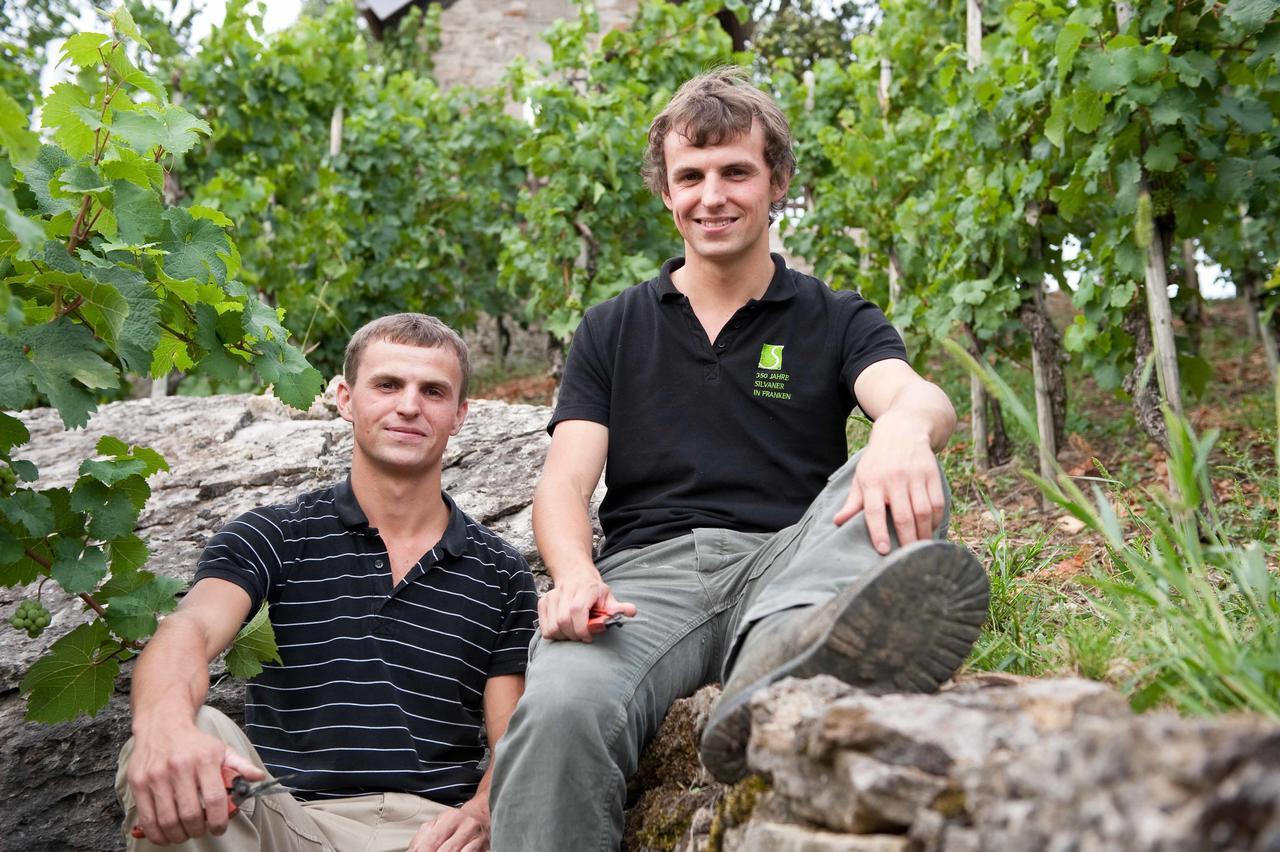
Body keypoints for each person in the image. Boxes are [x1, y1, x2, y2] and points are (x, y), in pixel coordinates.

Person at [488, 68, 990, 850]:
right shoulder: (612, 327)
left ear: (777, 181)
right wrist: (576, 575)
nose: (711, 195)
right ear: (666, 191)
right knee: (559, 709)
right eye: (690, 176)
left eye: (736, 172)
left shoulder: (834, 315)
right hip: (649, 583)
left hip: (791, 566)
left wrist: (900, 429)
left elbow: (922, 399)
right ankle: (781, 661)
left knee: (897, 461)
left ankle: (780, 654)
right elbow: (565, 480)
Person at [118, 314, 538, 852]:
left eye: (432, 391)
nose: (409, 405)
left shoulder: (501, 572)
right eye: (387, 385)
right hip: (287, 826)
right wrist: (164, 728)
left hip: (431, 836)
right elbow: (190, 629)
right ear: (345, 398)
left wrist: (484, 810)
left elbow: (513, 743)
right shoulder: (275, 535)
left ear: (460, 415)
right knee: (186, 726)